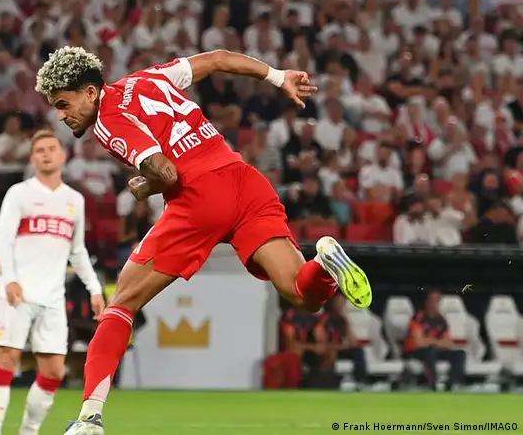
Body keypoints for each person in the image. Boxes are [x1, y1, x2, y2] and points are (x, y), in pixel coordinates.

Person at [37, 47, 374, 435]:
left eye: (64, 104)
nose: (61, 116)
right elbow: (218, 59)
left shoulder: (108, 122)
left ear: (90, 92)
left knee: (122, 304)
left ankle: (89, 419)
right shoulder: (148, 78)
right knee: (304, 293)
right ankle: (326, 260)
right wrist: (278, 76)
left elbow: (166, 172)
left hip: (199, 195)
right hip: (244, 180)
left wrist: (144, 187)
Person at [0, 129, 105, 435]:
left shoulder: (74, 200)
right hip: (18, 293)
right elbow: (3, 239)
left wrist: (94, 289)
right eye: (40, 150)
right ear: (32, 158)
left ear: (63, 155)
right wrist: (10, 279)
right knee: (6, 360)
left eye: (52, 148)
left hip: (52, 297)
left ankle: (28, 431)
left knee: (53, 371)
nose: (46, 154)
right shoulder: (19, 193)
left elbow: (77, 250)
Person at [404, 290, 467, 390]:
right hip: (414, 351)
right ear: (426, 302)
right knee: (430, 351)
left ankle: (451, 384)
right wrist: (436, 342)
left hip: (434, 350)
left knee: (460, 354)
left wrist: (430, 340)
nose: (434, 303)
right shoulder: (418, 317)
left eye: (437, 301)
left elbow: (448, 343)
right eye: (432, 300)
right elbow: (419, 342)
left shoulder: (441, 320)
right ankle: (432, 384)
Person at [316, 296, 369, 388]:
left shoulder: (342, 320)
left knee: (358, 351)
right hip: (328, 349)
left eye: (342, 303)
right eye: (338, 303)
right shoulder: (324, 319)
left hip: (339, 348)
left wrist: (345, 319)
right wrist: (341, 346)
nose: (340, 305)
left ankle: (360, 381)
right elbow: (322, 343)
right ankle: (329, 383)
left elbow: (353, 342)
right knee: (331, 353)